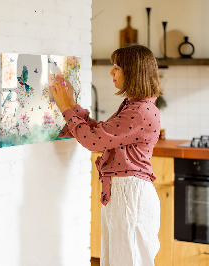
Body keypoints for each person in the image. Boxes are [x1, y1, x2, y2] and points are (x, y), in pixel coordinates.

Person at [50, 44, 162, 266]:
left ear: (133, 72)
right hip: (125, 193)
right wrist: (72, 104)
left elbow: (93, 141)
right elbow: (101, 133)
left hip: (130, 195)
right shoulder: (135, 106)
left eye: (117, 67)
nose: (111, 72)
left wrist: (65, 108)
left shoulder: (139, 111)